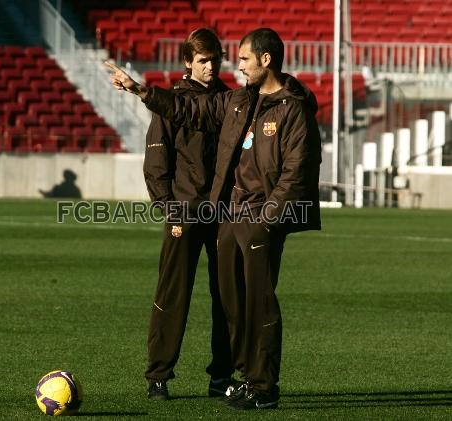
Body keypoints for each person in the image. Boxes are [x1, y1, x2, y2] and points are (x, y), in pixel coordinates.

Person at [106, 27, 322, 410]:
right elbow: (176, 129)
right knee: (203, 301)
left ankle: (245, 381)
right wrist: (142, 91)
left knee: (245, 302)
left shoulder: (267, 104)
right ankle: (187, 376)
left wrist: (267, 218)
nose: (226, 66)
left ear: (264, 60)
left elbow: (294, 170)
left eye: (236, 58)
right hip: (207, 216)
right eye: (210, 59)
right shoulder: (230, 101)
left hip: (245, 219)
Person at [142, 28, 233, 401]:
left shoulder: (232, 101)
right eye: (203, 61)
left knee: (228, 296)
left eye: (215, 60)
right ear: (187, 62)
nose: (210, 67)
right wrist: (168, 208)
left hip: (225, 214)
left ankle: (222, 376)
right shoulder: (171, 102)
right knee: (173, 295)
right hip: (184, 212)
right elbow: (156, 160)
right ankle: (158, 376)